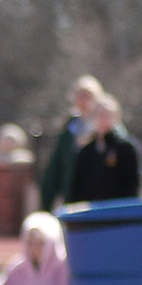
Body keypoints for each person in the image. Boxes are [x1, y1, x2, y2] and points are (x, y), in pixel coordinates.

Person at [39, 75, 100, 212]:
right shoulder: (70, 127)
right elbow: (57, 165)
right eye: (79, 97)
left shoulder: (102, 126)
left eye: (87, 97)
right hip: (72, 192)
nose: (83, 102)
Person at [67, 94, 142, 203]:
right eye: (100, 115)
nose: (103, 119)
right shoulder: (85, 152)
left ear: (117, 117)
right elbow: (76, 187)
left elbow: (133, 186)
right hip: (92, 214)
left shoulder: (127, 148)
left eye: (107, 115)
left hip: (118, 212)